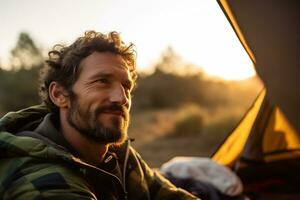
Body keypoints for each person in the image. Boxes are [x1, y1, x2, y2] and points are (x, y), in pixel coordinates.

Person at [0, 31, 199, 200]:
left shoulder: (117, 153)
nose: (121, 97)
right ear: (60, 95)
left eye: (126, 86)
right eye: (102, 81)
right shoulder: (43, 180)